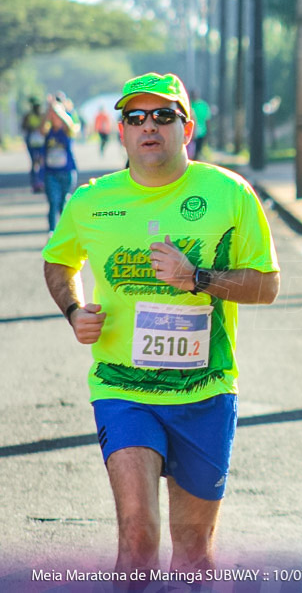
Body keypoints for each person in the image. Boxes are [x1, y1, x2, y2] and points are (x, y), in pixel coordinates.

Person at [42, 72, 280, 577]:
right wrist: (73, 310)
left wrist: (197, 277)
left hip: (206, 390)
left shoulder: (228, 192)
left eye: (164, 115)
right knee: (138, 531)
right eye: (136, 117)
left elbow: (266, 285)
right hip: (122, 387)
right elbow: (57, 261)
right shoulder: (90, 201)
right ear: (122, 131)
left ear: (186, 128)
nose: (150, 126)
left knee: (193, 545)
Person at [41, 98, 79, 234]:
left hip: (67, 172)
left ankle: (64, 232)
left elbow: (70, 125)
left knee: (64, 203)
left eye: (57, 116)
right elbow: (41, 128)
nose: (55, 118)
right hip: (51, 173)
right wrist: (49, 110)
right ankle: (52, 231)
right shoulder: (48, 131)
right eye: (53, 116)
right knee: (53, 202)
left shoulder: (67, 131)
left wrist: (59, 110)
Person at [21, 97, 46, 192]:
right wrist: (31, 127)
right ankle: (35, 183)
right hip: (32, 141)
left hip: (41, 141)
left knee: (41, 161)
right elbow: (23, 126)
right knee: (34, 162)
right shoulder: (28, 116)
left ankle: (41, 181)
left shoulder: (43, 116)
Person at [189, 90, 211, 160]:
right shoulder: (189, 105)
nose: (194, 96)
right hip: (191, 133)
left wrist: (208, 131)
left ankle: (196, 161)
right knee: (191, 151)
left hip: (201, 132)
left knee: (198, 150)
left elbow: (207, 119)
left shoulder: (203, 105)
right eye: (193, 94)